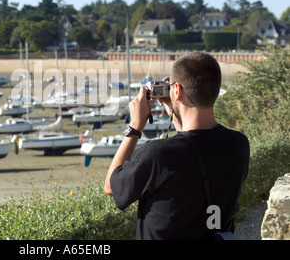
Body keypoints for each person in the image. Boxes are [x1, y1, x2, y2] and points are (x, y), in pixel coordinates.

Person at [104, 52, 250, 240]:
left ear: (177, 91)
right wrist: (176, 109)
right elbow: (195, 147)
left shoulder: (159, 154)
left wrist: (134, 127)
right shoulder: (238, 144)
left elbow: (111, 186)